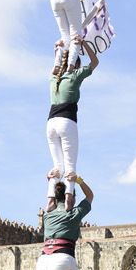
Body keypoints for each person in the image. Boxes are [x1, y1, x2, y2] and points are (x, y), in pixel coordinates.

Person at [45, 37, 98, 203]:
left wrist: (58, 50)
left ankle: (50, 200)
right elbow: (95, 62)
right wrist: (84, 44)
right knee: (70, 167)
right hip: (67, 122)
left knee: (57, 168)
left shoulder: (53, 77)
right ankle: (68, 199)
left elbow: (57, 65)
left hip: (50, 124)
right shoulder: (75, 75)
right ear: (75, 64)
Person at [34, 175, 93, 270]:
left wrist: (52, 182)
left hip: (42, 263)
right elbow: (90, 196)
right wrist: (78, 180)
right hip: (63, 261)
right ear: (72, 197)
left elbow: (50, 201)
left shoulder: (47, 215)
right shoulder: (74, 213)